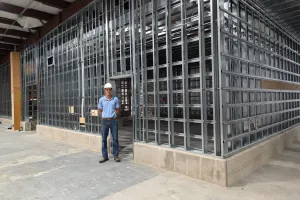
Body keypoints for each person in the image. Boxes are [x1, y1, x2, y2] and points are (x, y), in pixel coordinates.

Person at [98, 83, 121, 163]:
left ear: (111, 90)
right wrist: (105, 116)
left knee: (115, 139)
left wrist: (114, 115)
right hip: (104, 121)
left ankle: (116, 155)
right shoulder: (101, 100)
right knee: (104, 139)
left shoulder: (115, 99)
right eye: (107, 89)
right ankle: (105, 156)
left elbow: (118, 109)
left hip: (113, 121)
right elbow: (100, 110)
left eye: (110, 89)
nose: (108, 91)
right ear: (104, 90)